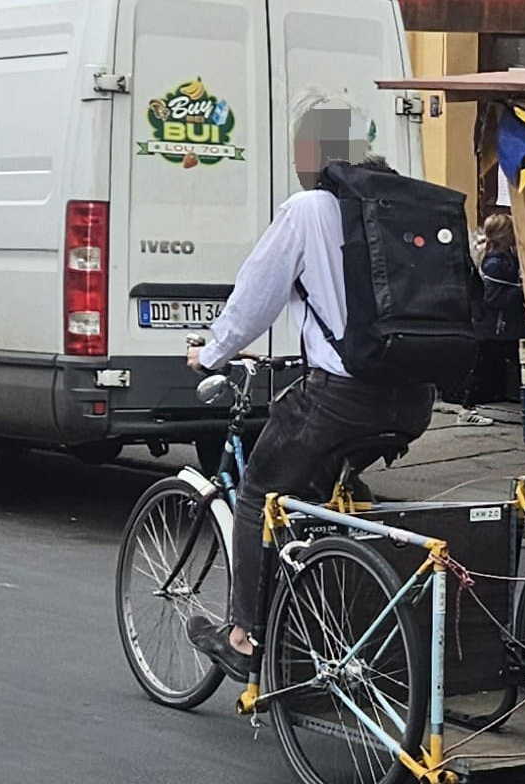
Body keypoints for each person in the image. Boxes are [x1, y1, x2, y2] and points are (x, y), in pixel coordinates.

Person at [184, 154, 437, 680]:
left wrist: (211, 354)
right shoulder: (403, 219)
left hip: (340, 399)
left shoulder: (311, 210)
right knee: (329, 487)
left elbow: (257, 296)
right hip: (415, 401)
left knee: (257, 492)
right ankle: (336, 589)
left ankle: (243, 638)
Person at [456, 213, 525, 425]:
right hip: (496, 325)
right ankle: (467, 409)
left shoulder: (504, 256)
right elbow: (494, 297)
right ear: (505, 235)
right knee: (488, 366)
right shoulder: (496, 262)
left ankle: (468, 407)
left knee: (501, 364)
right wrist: (523, 290)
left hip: (498, 325)